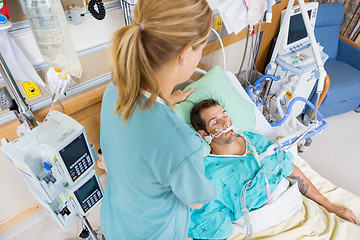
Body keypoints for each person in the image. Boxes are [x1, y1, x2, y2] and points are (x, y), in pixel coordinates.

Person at [99, 1, 217, 239]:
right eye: (202, 48)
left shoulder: (115, 89)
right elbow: (197, 200)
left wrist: (166, 100)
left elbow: (141, 134)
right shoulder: (183, 145)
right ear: (185, 55)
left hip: (117, 224)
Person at [188, 98, 360, 240]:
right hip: (266, 230)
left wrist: (331, 206)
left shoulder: (254, 141)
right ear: (204, 134)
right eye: (215, 121)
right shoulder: (211, 174)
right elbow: (210, 225)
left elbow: (289, 169)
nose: (226, 123)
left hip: (299, 209)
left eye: (225, 115)